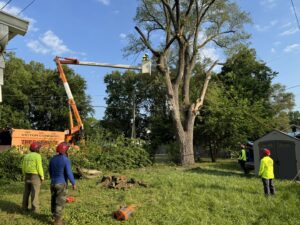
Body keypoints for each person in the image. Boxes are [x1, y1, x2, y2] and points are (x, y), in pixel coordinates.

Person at [49, 142, 76, 225]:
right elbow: (69, 173)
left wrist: (53, 179)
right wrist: (73, 183)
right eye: (67, 149)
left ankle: (54, 217)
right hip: (61, 184)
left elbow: (50, 171)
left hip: (53, 183)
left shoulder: (52, 159)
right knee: (59, 202)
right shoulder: (65, 159)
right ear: (65, 150)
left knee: (53, 200)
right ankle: (57, 222)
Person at [22, 141, 44, 213]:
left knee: (26, 192)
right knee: (34, 193)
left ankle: (24, 208)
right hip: (35, 176)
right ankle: (35, 210)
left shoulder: (26, 156)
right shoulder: (37, 156)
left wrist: (24, 174)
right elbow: (39, 167)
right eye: (39, 148)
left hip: (27, 175)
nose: (40, 149)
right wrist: (42, 177)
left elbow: (23, 167)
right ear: (37, 149)